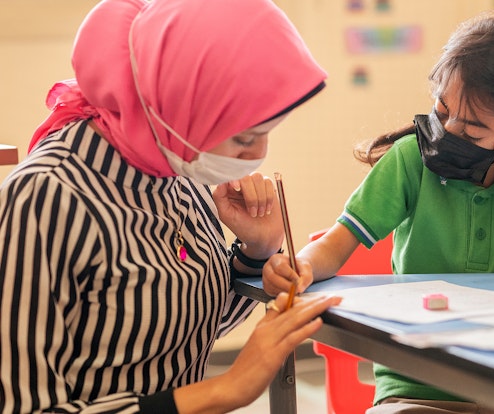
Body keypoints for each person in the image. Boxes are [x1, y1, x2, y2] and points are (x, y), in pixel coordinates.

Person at [0, 0, 342, 412]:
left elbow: (186, 327)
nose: (256, 157)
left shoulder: (176, 169)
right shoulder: (43, 199)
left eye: (267, 134)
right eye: (245, 138)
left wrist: (256, 254)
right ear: (175, 106)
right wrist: (227, 388)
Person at [263, 8, 494, 413]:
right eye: (442, 111)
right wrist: (299, 266)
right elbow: (337, 242)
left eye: (472, 128)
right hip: (415, 386)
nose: (447, 132)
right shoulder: (411, 159)